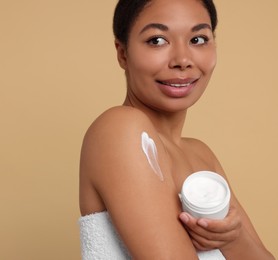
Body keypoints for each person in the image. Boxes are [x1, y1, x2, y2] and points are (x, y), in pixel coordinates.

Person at [78, 0, 275, 259]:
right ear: (122, 53)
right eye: (157, 40)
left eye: (198, 39)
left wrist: (232, 237)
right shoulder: (121, 130)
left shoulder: (201, 155)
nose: (182, 60)